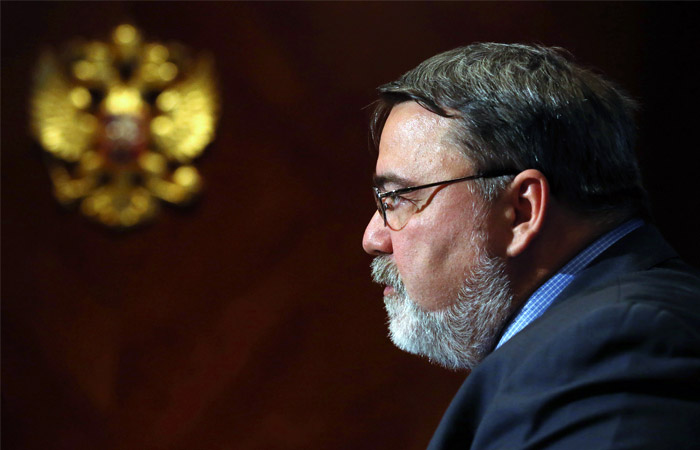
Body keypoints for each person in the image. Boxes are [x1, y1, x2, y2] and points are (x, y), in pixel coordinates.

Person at [362, 43, 700, 449]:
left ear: (521, 211)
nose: (373, 238)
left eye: (397, 198)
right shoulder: (598, 338)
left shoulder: (621, 342)